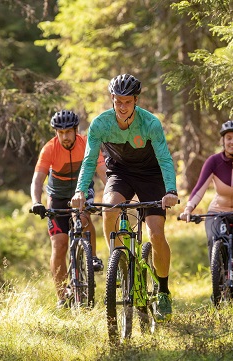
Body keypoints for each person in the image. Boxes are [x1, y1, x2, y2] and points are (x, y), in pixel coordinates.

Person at [70, 74, 179, 321]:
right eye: (118, 101)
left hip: (151, 175)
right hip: (120, 172)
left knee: (156, 233)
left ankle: (163, 290)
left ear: (136, 101)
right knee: (110, 208)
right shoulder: (100, 124)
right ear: (112, 99)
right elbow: (89, 161)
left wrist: (170, 190)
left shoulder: (150, 123)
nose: (122, 107)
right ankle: (118, 262)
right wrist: (79, 190)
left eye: (127, 102)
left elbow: (164, 159)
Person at [177, 120, 233, 297]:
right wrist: (188, 209)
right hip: (218, 212)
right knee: (215, 244)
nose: (232, 142)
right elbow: (199, 189)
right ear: (223, 141)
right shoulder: (213, 162)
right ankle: (219, 291)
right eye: (228, 138)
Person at [29, 110, 106, 307]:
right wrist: (36, 201)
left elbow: (103, 171)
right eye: (60, 132)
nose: (64, 137)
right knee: (59, 243)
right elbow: (38, 179)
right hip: (57, 196)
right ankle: (62, 296)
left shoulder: (87, 144)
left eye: (68, 132)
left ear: (75, 130)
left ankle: (92, 257)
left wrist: (111, 194)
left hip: (83, 190)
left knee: (83, 215)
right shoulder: (49, 149)